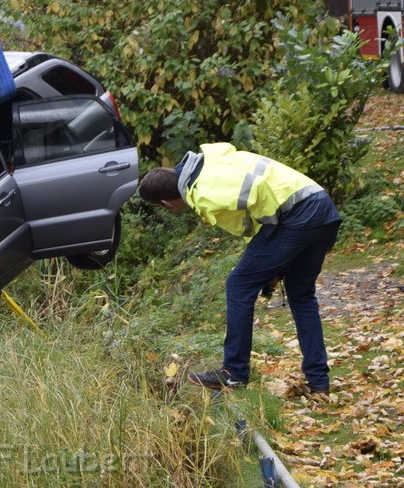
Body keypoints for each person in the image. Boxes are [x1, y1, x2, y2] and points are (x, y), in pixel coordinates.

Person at [138, 143, 341, 394]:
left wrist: (273, 253)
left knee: (238, 285)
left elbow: (255, 192)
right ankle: (319, 381)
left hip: (297, 215)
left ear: (166, 203)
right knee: (301, 294)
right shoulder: (210, 163)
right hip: (321, 207)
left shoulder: (203, 189)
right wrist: (273, 264)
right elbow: (255, 217)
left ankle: (234, 372)